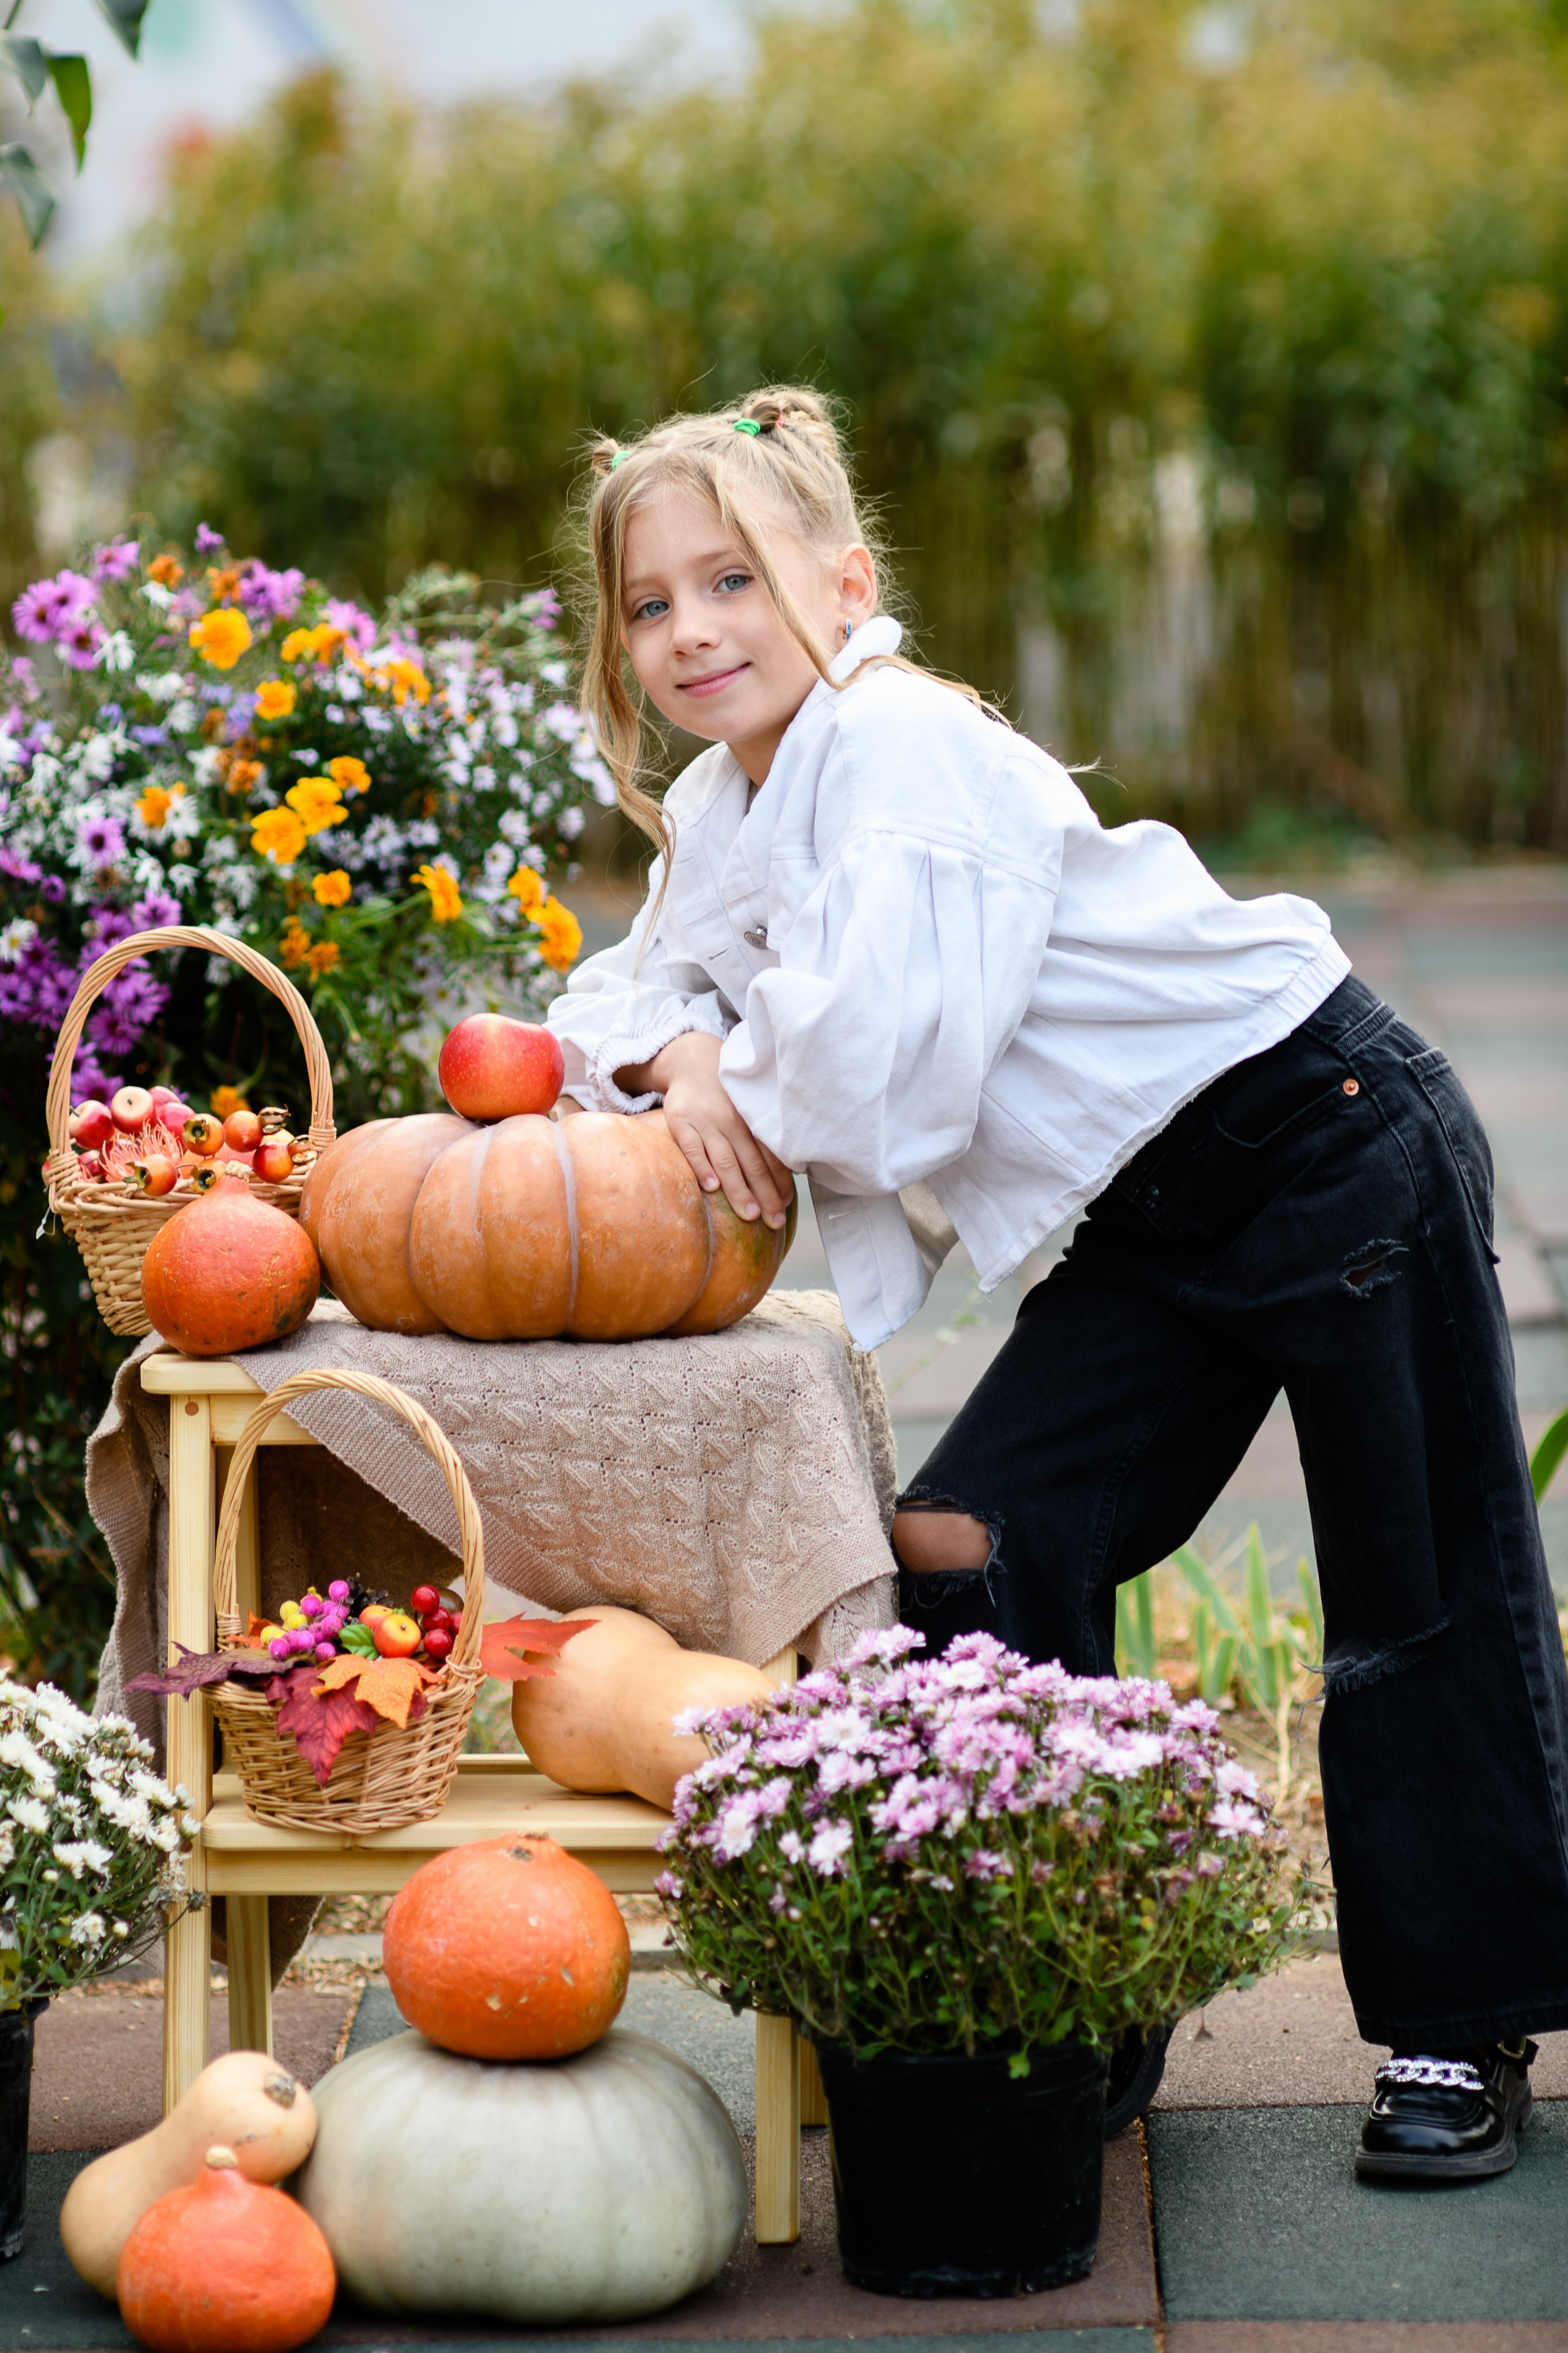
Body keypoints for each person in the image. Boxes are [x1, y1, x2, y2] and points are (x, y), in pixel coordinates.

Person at [546, 383, 1568, 2180]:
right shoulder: (728, 802)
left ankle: (1455, 2030)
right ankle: (1070, 1978)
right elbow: (617, 1008)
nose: (692, 630)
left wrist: (725, 1061)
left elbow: (873, 1075)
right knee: (971, 1538)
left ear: (845, 587)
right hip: (1159, 1204)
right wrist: (679, 1064)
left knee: (1418, 1581)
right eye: (650, 602)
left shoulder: (903, 753)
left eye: (733, 581)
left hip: (1321, 1128)